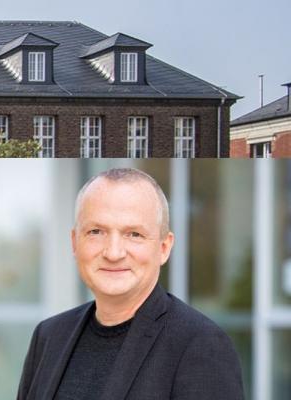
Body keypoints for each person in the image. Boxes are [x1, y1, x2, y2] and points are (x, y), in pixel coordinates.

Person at [16, 168, 243, 400]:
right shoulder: (49, 336)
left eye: (133, 234)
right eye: (96, 231)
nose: (113, 253)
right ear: (75, 243)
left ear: (164, 247)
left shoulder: (200, 346)